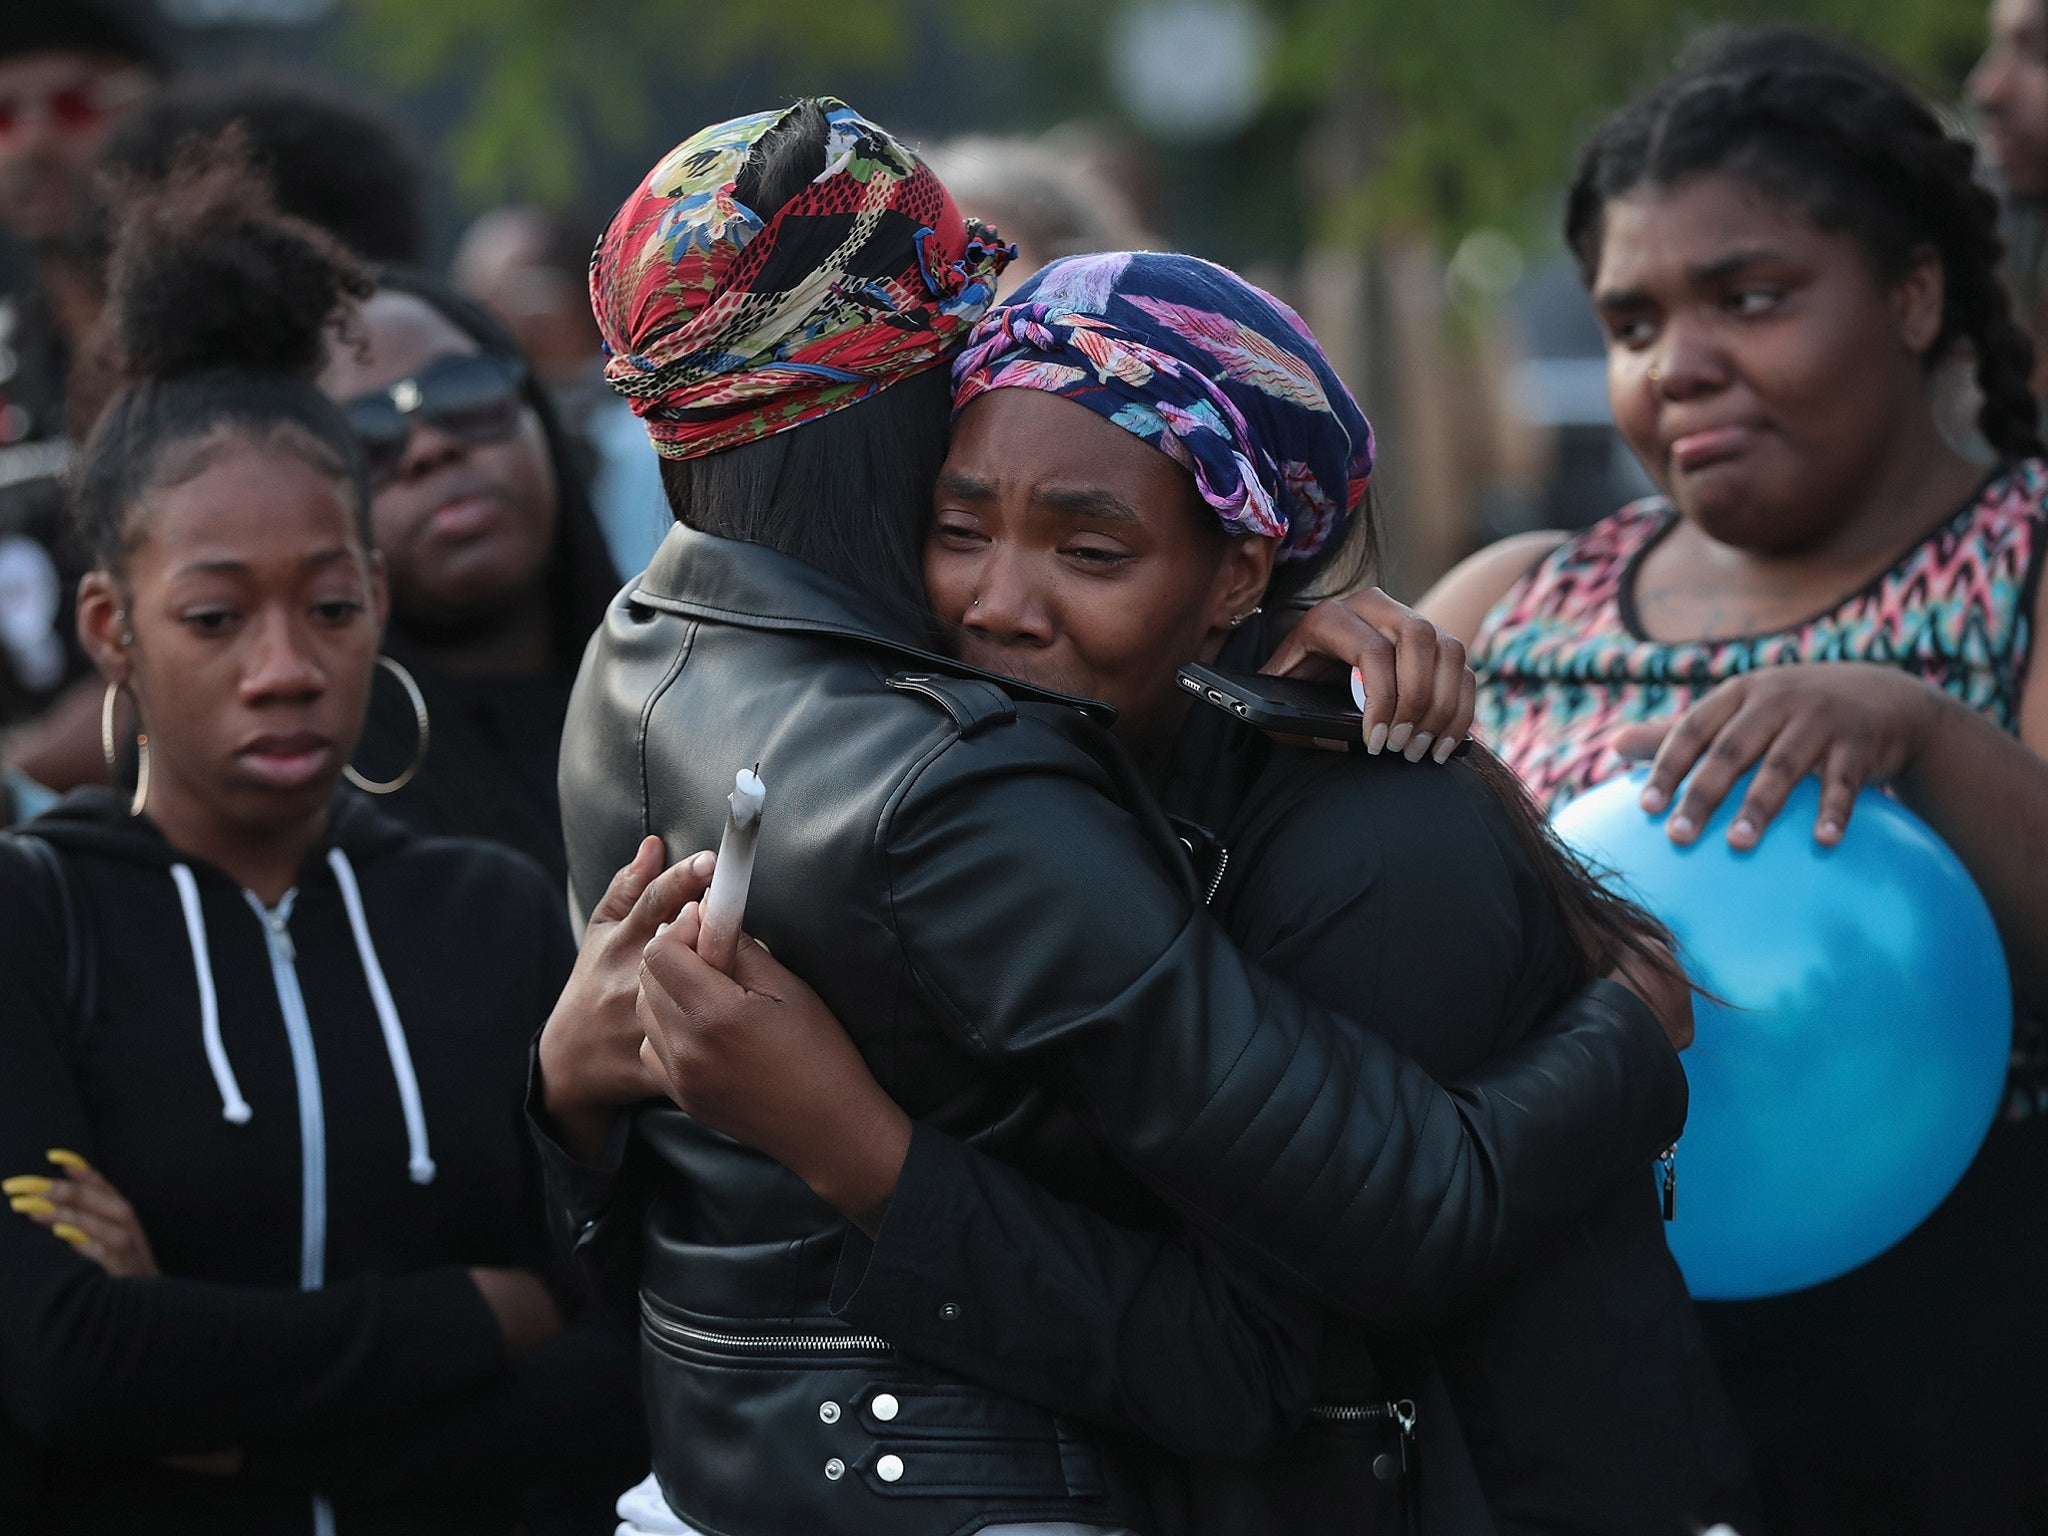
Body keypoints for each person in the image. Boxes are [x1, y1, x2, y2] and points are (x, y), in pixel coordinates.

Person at [533, 97, 1690, 1536]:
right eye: (965, 525)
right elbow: (1333, 1283)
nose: (1000, 599)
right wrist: (1631, 1034)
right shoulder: (955, 779)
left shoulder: (636, 648)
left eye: (1091, 549)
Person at [1416, 29, 2048, 1532]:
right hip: (1560, 1360)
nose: (1678, 364)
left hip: (1952, 1378)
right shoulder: (1513, 597)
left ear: (1912, 296)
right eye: (1631, 322)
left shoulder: (2028, 567)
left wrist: (1920, 730)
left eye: (1749, 299)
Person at [0, 144, 644, 1535]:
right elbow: (64, 1365)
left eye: (332, 608)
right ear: (114, 630)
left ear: (378, 599)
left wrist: (239, 1415)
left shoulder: (497, 913)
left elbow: (618, 1365)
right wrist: (483, 1307)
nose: (284, 667)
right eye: (217, 617)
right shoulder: (33, 917)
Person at [317, 271, 621, 890]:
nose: (429, 446)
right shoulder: (326, 820)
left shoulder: (705, 696)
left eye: (464, 392)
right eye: (365, 434)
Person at [0, 0, 164, 816]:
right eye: (3, 115)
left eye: (72, 105)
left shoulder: (244, 346)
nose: (33, 143)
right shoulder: (9, 360)